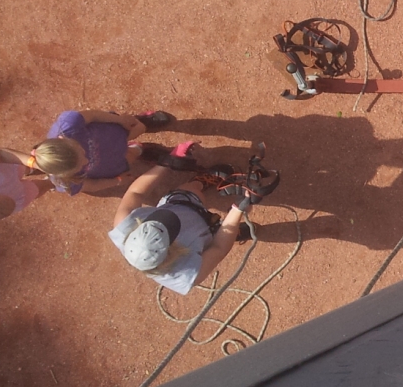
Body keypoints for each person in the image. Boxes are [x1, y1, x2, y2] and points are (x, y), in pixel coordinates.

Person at [108, 151, 252, 295]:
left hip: (180, 206)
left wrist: (166, 163)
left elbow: (135, 193)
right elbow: (218, 247)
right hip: (204, 235)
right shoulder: (185, 274)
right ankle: (230, 231)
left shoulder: (124, 225)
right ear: (171, 251)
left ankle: (200, 182)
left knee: (190, 191)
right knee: (220, 237)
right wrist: (237, 209)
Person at [31, 110, 174, 196]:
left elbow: (93, 115)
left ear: (64, 139)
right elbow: (91, 185)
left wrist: (120, 120)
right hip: (108, 163)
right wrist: (117, 181)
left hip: (111, 133)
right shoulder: (66, 182)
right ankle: (141, 149)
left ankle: (140, 121)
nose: (86, 161)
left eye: (81, 154)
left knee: (139, 127)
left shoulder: (68, 126)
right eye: (81, 166)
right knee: (130, 155)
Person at [0, 149, 52, 224]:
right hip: (16, 195)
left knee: (27, 167)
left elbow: (1, 154)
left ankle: (44, 170)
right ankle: (53, 182)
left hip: (8, 167)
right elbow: (7, 209)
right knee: (39, 187)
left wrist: (35, 163)